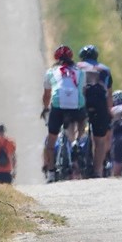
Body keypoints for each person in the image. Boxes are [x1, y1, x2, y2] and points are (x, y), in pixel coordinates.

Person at [42, 45, 86, 178]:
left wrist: (45, 108)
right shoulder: (80, 72)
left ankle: (50, 172)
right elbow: (82, 91)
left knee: (50, 141)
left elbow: (47, 95)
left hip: (58, 105)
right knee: (82, 118)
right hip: (76, 106)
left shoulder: (51, 72)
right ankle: (77, 140)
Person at [76, 44, 113, 177]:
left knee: (78, 124)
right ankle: (97, 171)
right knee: (100, 140)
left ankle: (76, 141)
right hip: (99, 102)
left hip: (81, 100)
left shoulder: (77, 67)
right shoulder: (105, 70)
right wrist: (109, 112)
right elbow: (109, 94)